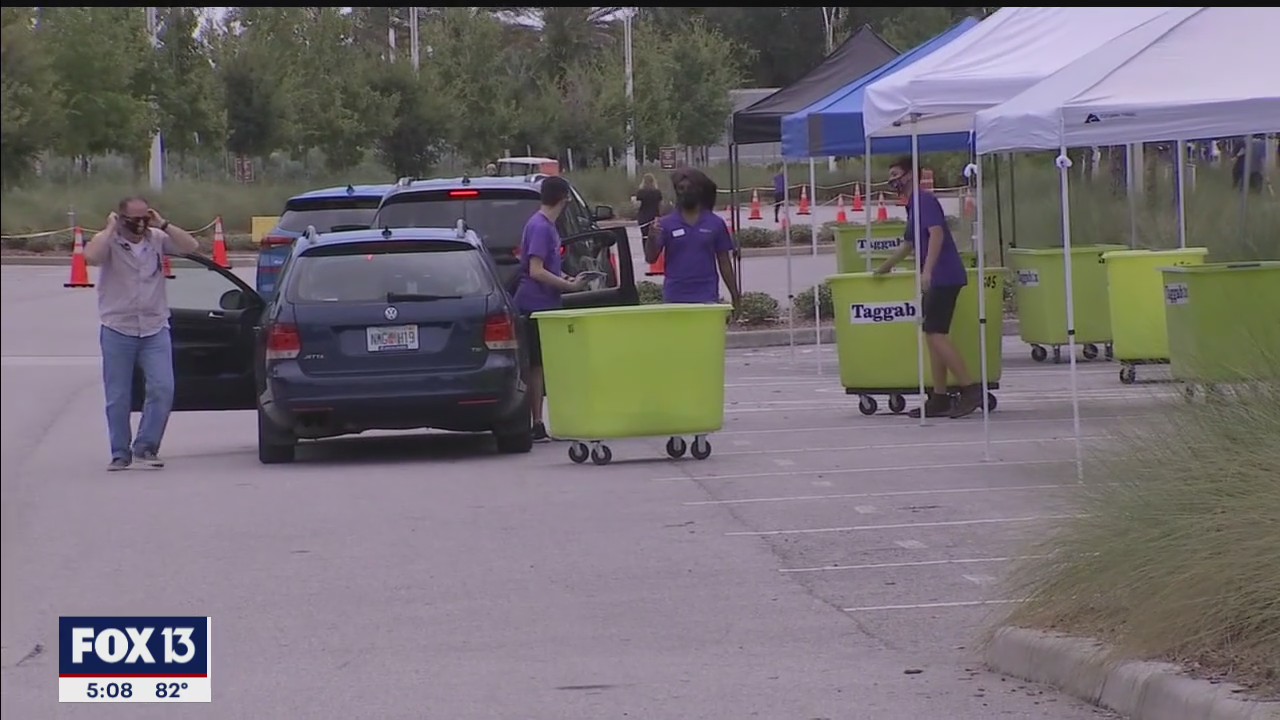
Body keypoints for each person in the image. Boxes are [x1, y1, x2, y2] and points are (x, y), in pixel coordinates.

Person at [83, 197, 201, 470]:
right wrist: (110, 228)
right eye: (132, 219)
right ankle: (120, 452)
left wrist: (164, 224)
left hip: (154, 327)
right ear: (121, 218)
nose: (139, 224)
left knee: (163, 387)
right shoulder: (110, 242)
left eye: (144, 217)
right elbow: (91, 256)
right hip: (118, 327)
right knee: (118, 395)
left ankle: (146, 446)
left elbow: (191, 247)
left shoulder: (157, 239)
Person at [873, 157, 982, 420]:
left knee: (935, 333)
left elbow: (936, 234)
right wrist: (884, 268)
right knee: (932, 333)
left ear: (910, 175)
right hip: (937, 276)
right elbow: (910, 243)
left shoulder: (924, 200)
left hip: (944, 275)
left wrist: (928, 270)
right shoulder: (912, 205)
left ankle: (970, 388)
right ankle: (939, 397)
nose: (893, 180)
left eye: (896, 174)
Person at [513, 176, 589, 442]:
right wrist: (569, 287)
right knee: (537, 365)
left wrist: (565, 278)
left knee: (541, 365)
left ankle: (539, 421)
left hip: (545, 302)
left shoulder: (545, 225)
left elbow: (547, 268)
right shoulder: (541, 227)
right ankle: (537, 420)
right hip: (536, 305)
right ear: (565, 198)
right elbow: (535, 270)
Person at [644, 168, 741, 308]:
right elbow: (651, 258)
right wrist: (651, 239)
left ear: (700, 190)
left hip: (706, 294)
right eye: (681, 188)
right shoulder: (665, 223)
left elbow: (724, 261)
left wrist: (735, 295)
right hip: (674, 296)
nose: (685, 191)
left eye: (690, 188)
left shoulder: (715, 223)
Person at [633, 173, 664, 239]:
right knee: (655, 236)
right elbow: (661, 205)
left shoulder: (641, 192)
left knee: (645, 236)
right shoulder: (657, 192)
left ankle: (645, 247)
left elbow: (638, 206)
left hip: (643, 217)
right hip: (654, 216)